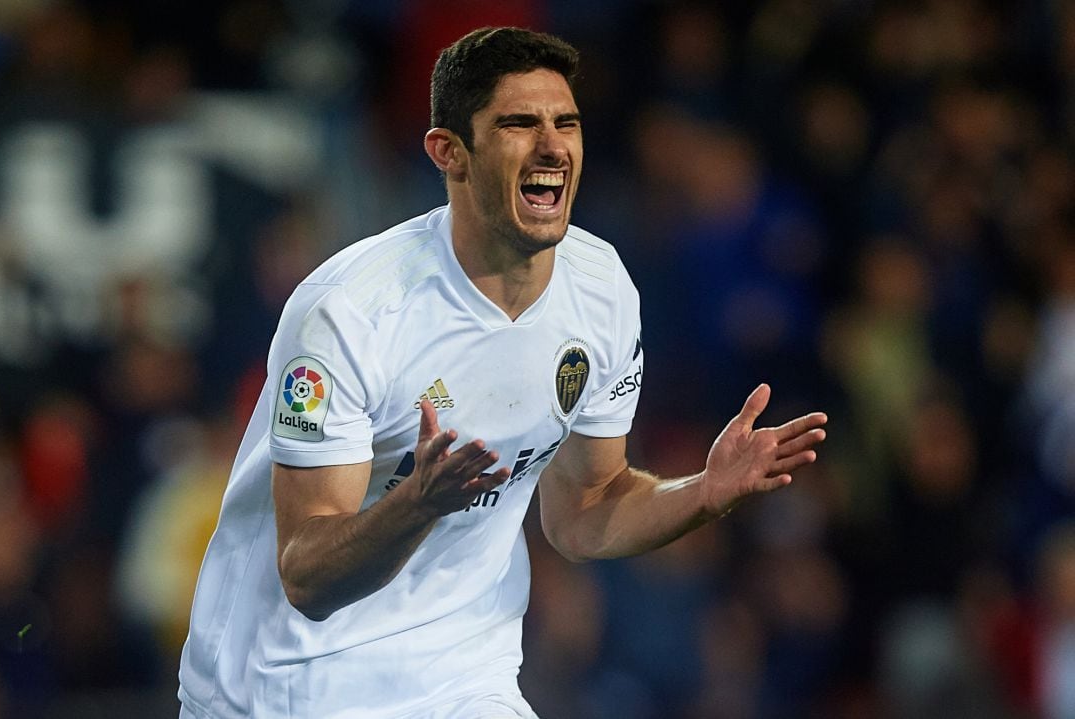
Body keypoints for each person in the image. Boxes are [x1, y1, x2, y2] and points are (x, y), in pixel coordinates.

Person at [177, 26, 828, 719]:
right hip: (285, 690)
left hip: (464, 680)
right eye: (519, 123)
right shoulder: (351, 313)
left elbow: (585, 512)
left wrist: (705, 490)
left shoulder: (601, 289)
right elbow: (307, 573)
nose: (552, 145)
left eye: (566, 123)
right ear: (449, 152)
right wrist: (418, 502)